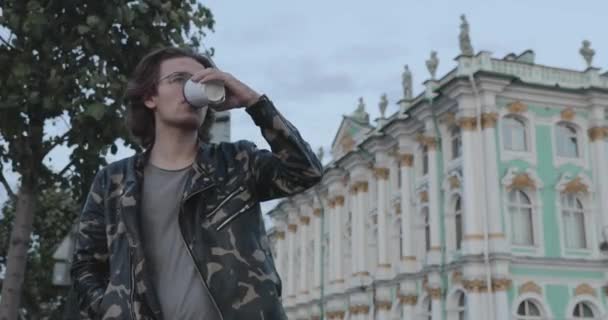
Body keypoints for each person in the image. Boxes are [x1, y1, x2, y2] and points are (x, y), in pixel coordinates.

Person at [70, 47, 323, 320]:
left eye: (203, 82)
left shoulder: (237, 163)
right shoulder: (114, 182)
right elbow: (86, 266)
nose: (193, 88)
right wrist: (110, 310)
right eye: (179, 79)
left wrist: (253, 102)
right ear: (150, 96)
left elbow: (305, 171)